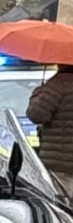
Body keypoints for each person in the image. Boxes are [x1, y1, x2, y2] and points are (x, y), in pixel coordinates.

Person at [28, 63, 73, 191]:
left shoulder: (58, 85)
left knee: (61, 207)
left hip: (60, 165)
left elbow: (36, 114)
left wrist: (38, 93)